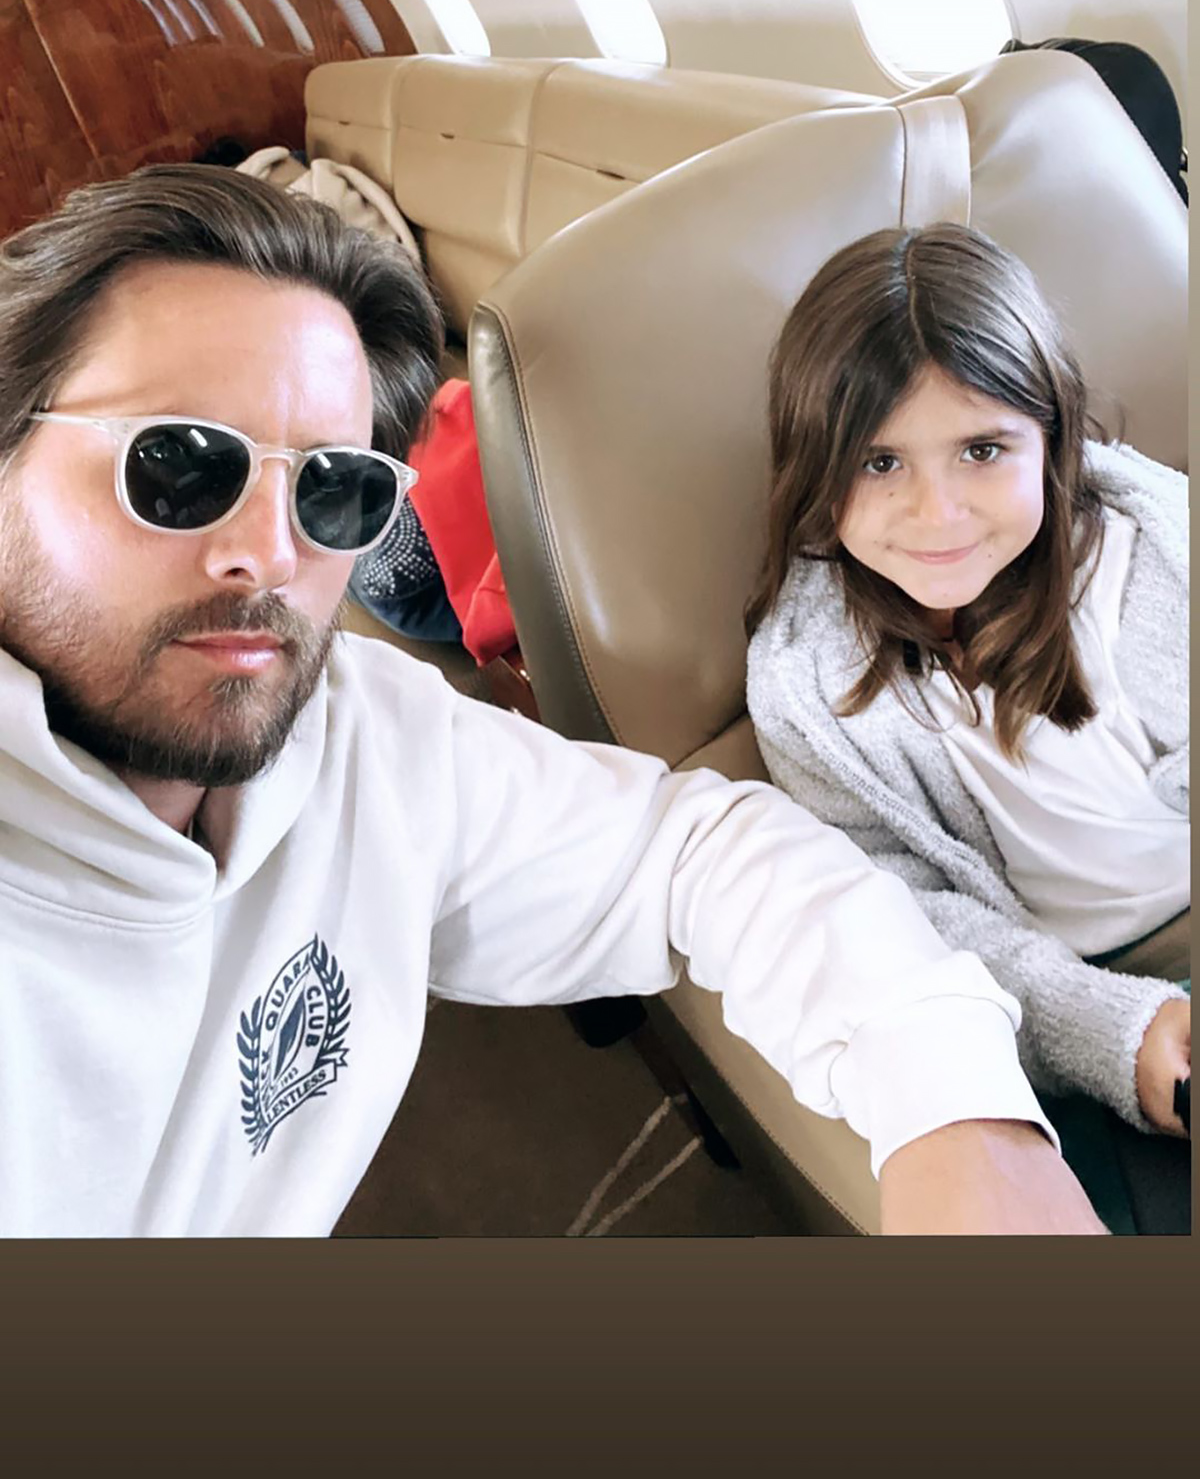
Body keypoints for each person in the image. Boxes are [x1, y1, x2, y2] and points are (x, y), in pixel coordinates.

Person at [0, 170, 1105, 1238]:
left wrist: (958, 1111)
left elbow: (692, 851)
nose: (271, 554)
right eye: (179, 467)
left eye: (336, 489)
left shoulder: (367, 732)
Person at [746, 224, 1190, 1232]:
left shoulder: (1150, 569)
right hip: (1059, 1010)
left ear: (1052, 436)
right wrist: (1115, 1033)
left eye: (982, 450)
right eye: (880, 462)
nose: (937, 513)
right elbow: (902, 906)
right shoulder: (809, 684)